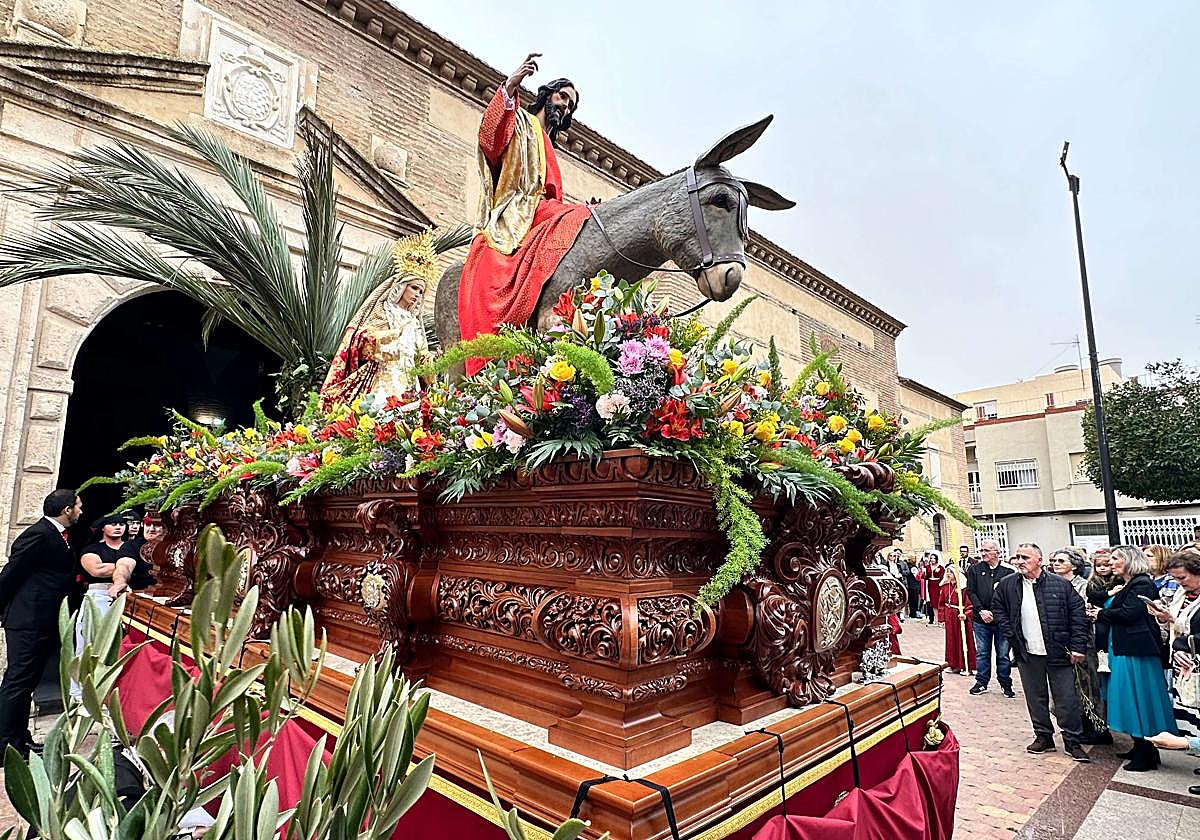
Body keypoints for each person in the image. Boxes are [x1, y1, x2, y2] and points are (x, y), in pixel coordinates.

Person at [458, 52, 588, 374]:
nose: (565, 107)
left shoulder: (549, 147)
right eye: (562, 97)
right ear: (546, 94)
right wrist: (510, 86)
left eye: (570, 106)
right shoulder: (520, 123)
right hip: (517, 213)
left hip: (544, 212)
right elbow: (490, 140)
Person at [0, 489, 82, 757]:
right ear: (67, 509)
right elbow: (12, 572)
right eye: (78, 506)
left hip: (41, 618)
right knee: (18, 681)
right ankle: (5, 745)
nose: (81, 511)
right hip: (27, 619)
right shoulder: (40, 533)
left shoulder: (58, 535)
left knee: (27, 682)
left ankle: (19, 739)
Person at [993, 542, 1091, 762]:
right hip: (1027, 652)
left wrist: (1077, 646)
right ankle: (1043, 736)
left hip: (1058, 651)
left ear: (1039, 560)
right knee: (1035, 697)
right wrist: (1011, 634)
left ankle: (1072, 740)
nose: (1020, 561)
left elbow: (1078, 616)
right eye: (1017, 557)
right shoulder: (1008, 585)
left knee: (1066, 698)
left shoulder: (1060, 585)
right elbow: (998, 610)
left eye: (1025, 558)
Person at [319, 233, 437, 411]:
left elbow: (420, 356)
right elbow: (361, 340)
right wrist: (394, 335)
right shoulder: (383, 312)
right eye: (414, 288)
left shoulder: (414, 323)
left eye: (421, 291)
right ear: (401, 286)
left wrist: (431, 361)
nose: (417, 295)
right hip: (382, 378)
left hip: (409, 382)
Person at [1087, 545, 1176, 772]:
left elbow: (1130, 613)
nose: (1111, 562)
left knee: (1139, 699)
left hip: (1135, 651)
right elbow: (1097, 596)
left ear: (1129, 561)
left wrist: (1101, 614)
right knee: (1130, 698)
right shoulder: (1126, 584)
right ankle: (1139, 746)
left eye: (1116, 558)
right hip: (1123, 647)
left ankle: (1147, 750)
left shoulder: (1142, 583)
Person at [1051, 547, 1110, 745]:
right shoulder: (1052, 584)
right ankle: (1079, 724)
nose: (1056, 564)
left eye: (1061, 561)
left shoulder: (1084, 586)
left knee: (1089, 685)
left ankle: (1098, 727)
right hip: (1061, 642)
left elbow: (1087, 612)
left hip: (1083, 640)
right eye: (1055, 561)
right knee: (1072, 687)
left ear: (1074, 565)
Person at [73, 516, 136, 701]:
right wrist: (124, 567)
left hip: (127, 598)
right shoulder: (93, 549)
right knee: (88, 644)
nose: (118, 527)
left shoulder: (131, 547)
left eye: (121, 524)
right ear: (102, 528)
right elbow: (96, 570)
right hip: (99, 597)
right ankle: (79, 694)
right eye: (113, 524)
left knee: (121, 647)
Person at [966, 538, 1016, 697]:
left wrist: (997, 613)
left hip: (1002, 620)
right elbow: (971, 592)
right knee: (982, 652)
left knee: (1003, 654)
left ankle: (1005, 683)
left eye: (987, 551)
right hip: (981, 620)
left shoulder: (1008, 571)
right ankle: (981, 682)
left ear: (997, 552)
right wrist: (981, 610)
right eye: (982, 551)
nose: (983, 554)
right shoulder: (974, 569)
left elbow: (1012, 596)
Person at [939, 564, 975, 674]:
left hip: (960, 616)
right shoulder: (945, 587)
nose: (948, 574)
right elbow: (941, 604)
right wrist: (942, 619)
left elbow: (969, 604)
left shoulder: (963, 588)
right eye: (947, 572)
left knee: (962, 640)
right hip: (950, 616)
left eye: (950, 572)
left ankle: (966, 665)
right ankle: (954, 664)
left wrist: (966, 614)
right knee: (951, 640)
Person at [901, 554, 922, 620]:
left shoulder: (907, 567)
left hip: (909, 585)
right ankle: (913, 613)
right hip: (914, 586)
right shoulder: (913, 568)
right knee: (914, 600)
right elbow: (917, 578)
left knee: (911, 600)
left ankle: (911, 613)